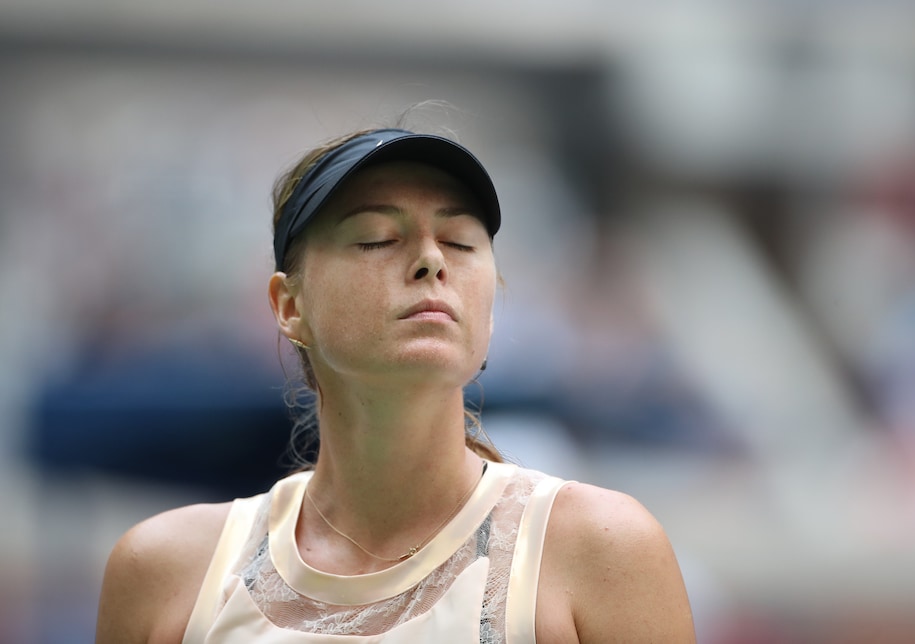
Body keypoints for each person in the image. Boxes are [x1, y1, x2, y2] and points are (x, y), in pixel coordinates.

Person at [95, 126, 696, 643]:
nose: (432, 260)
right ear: (288, 304)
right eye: (377, 238)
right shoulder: (166, 570)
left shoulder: (602, 550)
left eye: (461, 242)